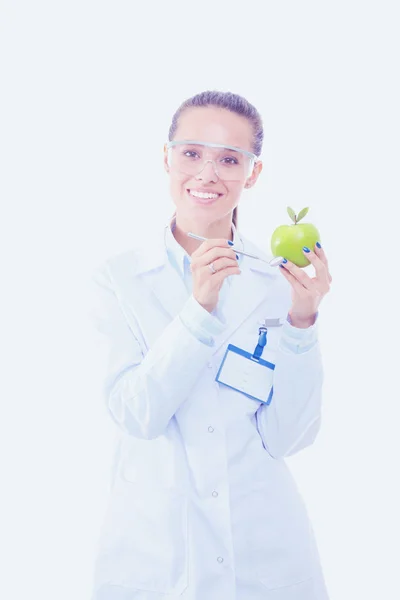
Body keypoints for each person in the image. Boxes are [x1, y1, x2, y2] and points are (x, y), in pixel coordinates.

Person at [89, 90, 332, 600]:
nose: (207, 174)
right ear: (167, 157)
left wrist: (303, 323)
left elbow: (288, 437)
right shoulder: (120, 279)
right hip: (156, 551)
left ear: (253, 173)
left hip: (262, 547)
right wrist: (199, 311)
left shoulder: (275, 280)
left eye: (228, 159)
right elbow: (138, 415)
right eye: (192, 153)